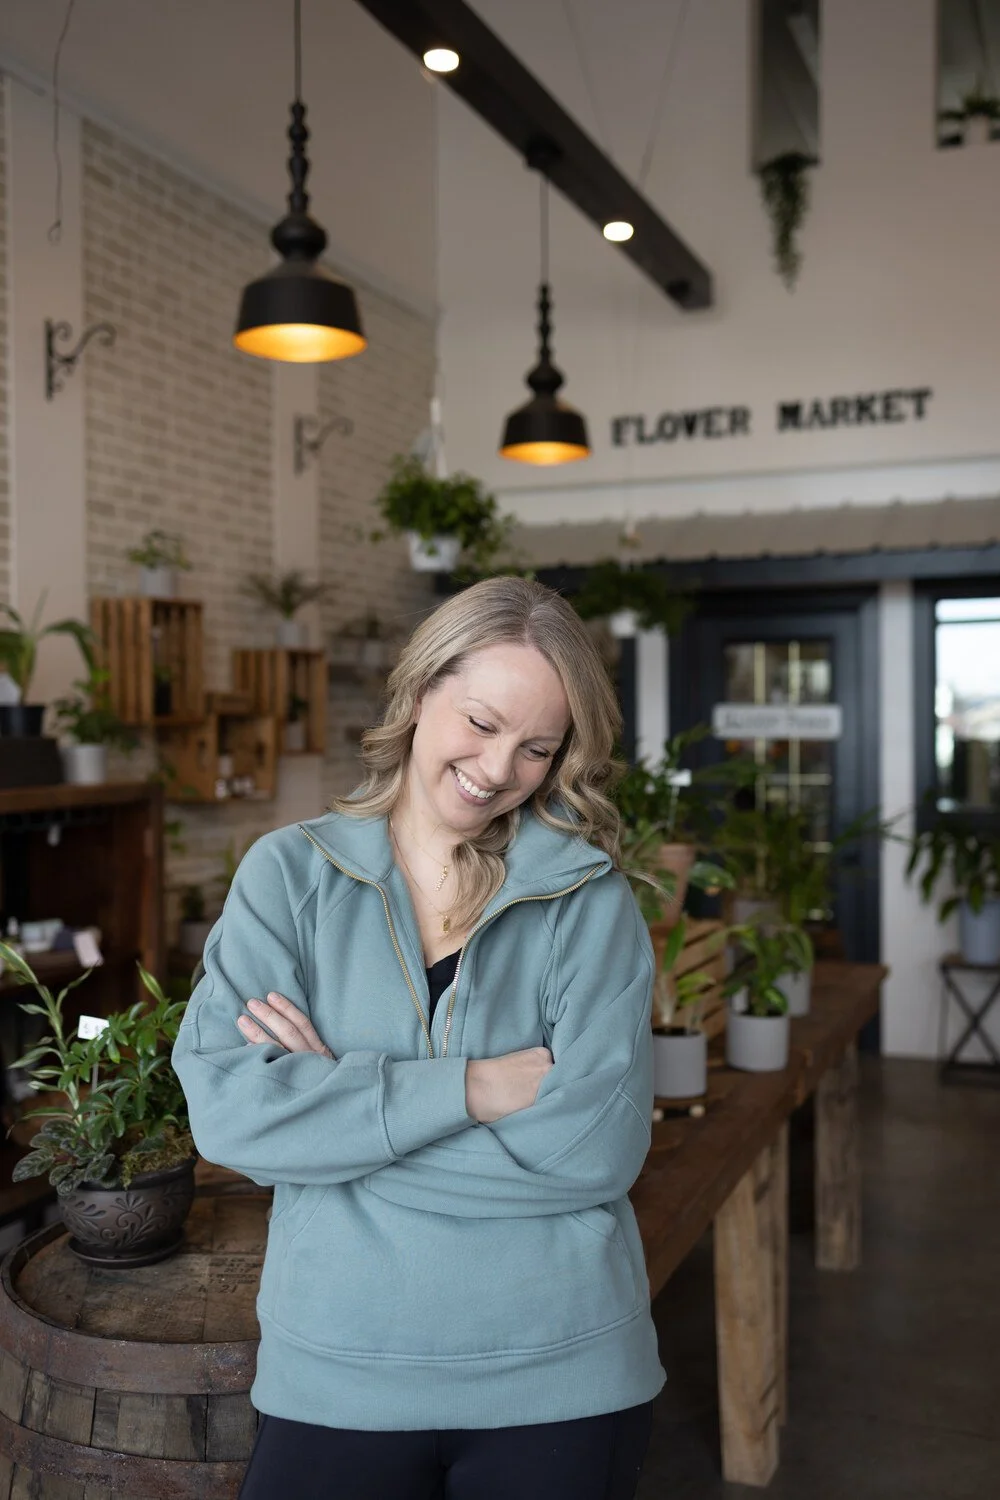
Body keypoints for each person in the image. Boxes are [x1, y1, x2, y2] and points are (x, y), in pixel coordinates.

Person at [172, 576, 666, 1500]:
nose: (498, 767)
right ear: (420, 690)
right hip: (336, 1367)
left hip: (562, 1372)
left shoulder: (590, 900)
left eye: (537, 747)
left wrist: (333, 1124)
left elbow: (597, 1149)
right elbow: (231, 1118)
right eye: (480, 721)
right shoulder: (288, 876)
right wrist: (469, 1090)